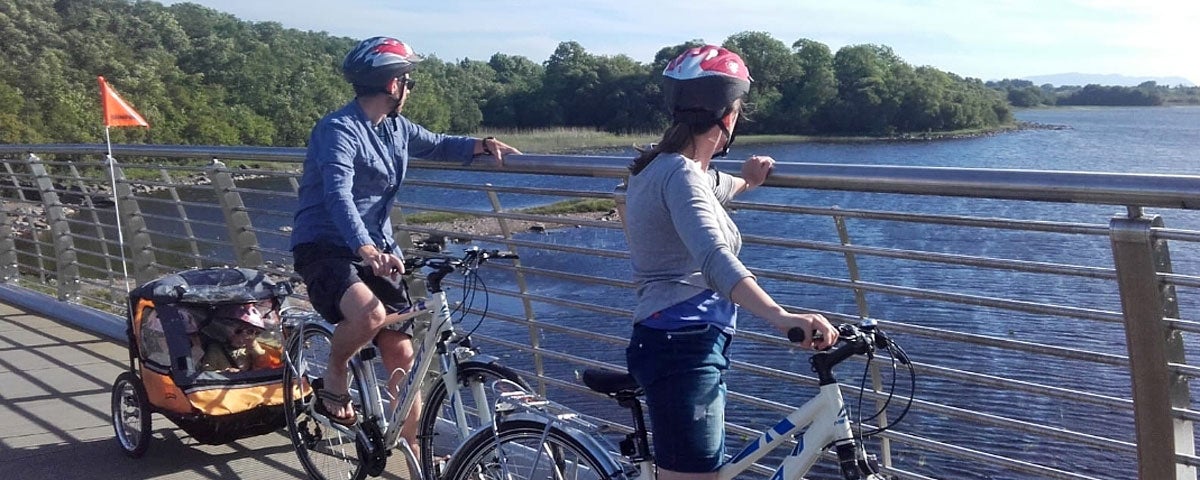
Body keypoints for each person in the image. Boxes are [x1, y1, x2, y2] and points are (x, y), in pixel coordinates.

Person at [289, 35, 519, 455]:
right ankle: (335, 370)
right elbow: (338, 194)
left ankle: (413, 450)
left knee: (403, 354)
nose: (409, 89)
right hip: (325, 246)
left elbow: (439, 144)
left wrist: (482, 145)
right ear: (393, 85)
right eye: (408, 81)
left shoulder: (396, 127)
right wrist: (365, 248)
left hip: (376, 248)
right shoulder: (338, 130)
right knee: (371, 314)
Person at [622, 45, 839, 480]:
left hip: (675, 341)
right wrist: (782, 316)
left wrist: (748, 180)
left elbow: (710, 187)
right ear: (728, 117)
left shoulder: (663, 169)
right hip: (683, 349)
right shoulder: (680, 175)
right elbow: (714, 258)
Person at [199, 303, 279, 372]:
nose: (250, 337)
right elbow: (206, 371)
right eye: (249, 331)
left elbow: (265, 365)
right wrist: (224, 373)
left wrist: (254, 347)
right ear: (231, 330)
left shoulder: (251, 346)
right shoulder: (215, 349)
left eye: (257, 333)